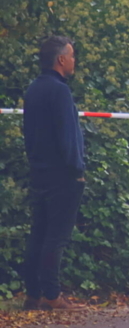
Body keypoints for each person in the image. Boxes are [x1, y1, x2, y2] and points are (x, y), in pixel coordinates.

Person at [21, 36, 87, 311]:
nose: (74, 60)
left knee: (39, 233)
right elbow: (67, 136)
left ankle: (33, 294)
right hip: (62, 174)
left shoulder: (33, 89)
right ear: (61, 59)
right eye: (71, 55)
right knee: (56, 237)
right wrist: (77, 169)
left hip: (39, 171)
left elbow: (29, 134)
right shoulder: (60, 92)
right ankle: (52, 295)